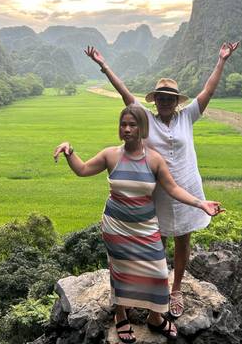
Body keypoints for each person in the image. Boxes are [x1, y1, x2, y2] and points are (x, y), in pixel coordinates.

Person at [85, 41, 239, 318]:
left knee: (183, 240)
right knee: (157, 242)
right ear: (154, 100)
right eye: (162, 97)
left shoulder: (188, 116)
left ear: (176, 101)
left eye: (171, 98)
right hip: (158, 191)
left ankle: (176, 288)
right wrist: (103, 65)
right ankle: (152, 290)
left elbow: (208, 90)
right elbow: (126, 95)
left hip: (188, 188)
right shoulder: (146, 120)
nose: (166, 102)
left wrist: (222, 61)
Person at [54, 105, 223, 343]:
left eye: (133, 125)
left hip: (145, 226)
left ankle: (155, 317)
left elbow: (173, 188)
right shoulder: (110, 155)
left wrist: (200, 203)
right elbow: (82, 170)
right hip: (116, 226)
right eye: (123, 124)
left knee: (157, 271)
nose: (127, 129)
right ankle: (120, 315)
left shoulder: (154, 160)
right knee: (121, 271)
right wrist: (69, 151)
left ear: (142, 128)